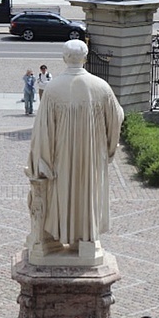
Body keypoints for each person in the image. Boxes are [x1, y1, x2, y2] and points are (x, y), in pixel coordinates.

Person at [26, 39, 124, 259]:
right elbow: (117, 118)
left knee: (63, 194)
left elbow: (42, 131)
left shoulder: (53, 89)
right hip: (92, 158)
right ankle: (87, 240)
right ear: (86, 58)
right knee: (88, 194)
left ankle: (59, 236)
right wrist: (108, 148)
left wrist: (43, 161)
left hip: (62, 158)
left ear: (64, 58)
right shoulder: (101, 87)